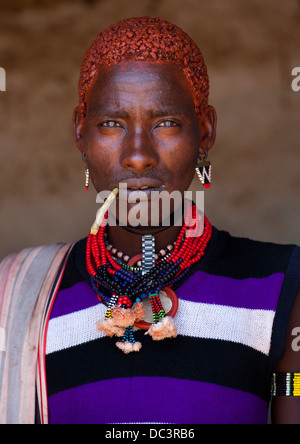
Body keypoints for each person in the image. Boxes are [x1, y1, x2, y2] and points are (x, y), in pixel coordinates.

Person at [0, 16, 299, 425]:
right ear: (80, 134)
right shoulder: (21, 296)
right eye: (111, 124)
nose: (138, 154)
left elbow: (293, 391)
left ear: (205, 132)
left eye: (166, 123)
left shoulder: (281, 286)